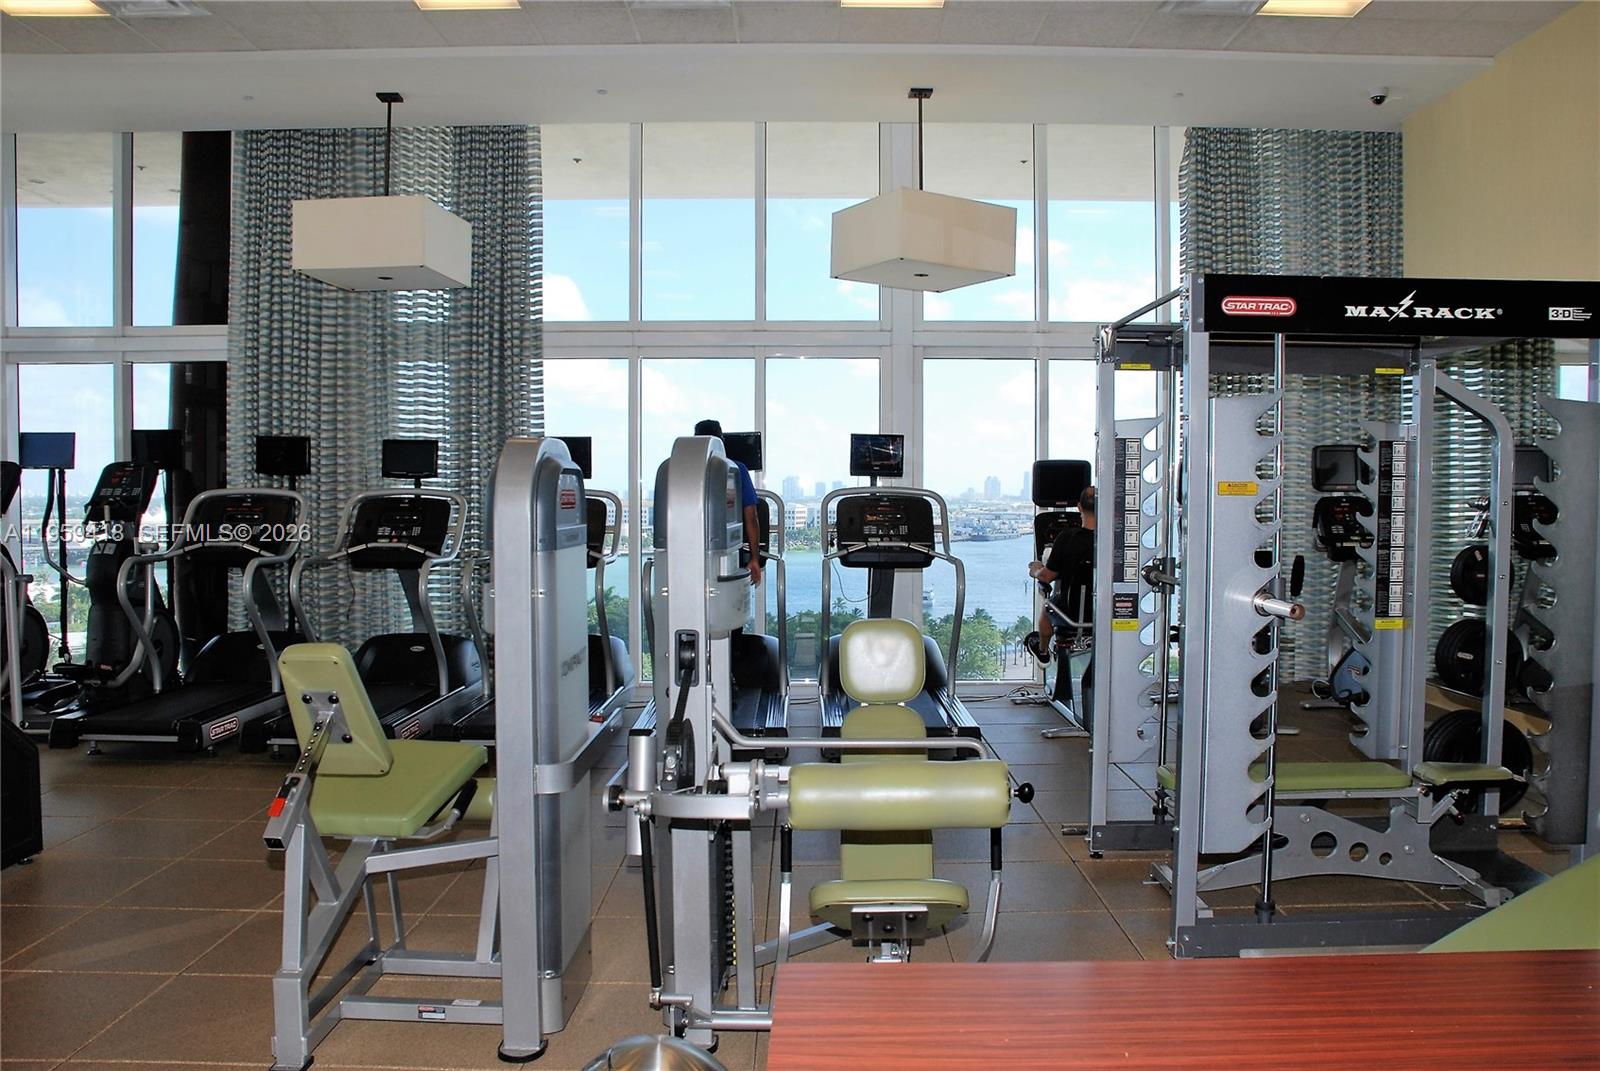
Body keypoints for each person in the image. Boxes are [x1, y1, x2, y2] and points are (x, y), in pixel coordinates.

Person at [1023, 486, 1096, 664]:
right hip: (1104, 612)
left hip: (1071, 615)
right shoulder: (1111, 541)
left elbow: (1046, 577)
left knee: (1049, 606)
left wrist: (1036, 570)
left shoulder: (1067, 538)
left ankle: (1042, 650)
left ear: (1079, 507)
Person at [694, 419, 762, 586]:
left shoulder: (682, 472)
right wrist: (754, 558)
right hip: (728, 551)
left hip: (691, 549)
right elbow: (751, 516)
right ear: (721, 441)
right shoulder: (736, 470)